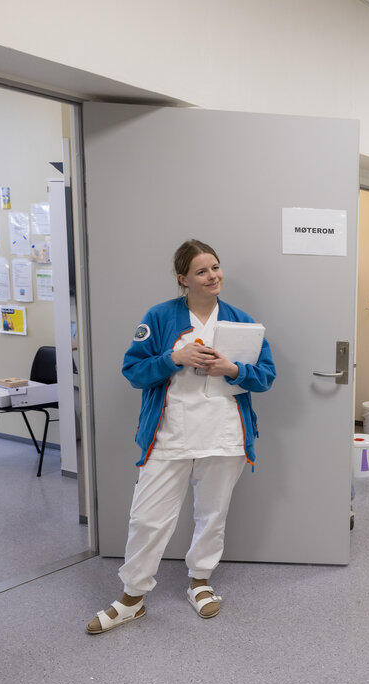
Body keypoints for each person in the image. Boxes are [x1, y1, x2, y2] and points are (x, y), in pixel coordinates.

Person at [88, 239, 276, 634]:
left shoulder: (242, 321)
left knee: (213, 516)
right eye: (202, 271)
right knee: (147, 518)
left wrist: (232, 368)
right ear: (183, 279)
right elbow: (133, 370)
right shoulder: (159, 318)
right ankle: (131, 598)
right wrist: (174, 358)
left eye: (216, 267)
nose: (213, 276)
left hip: (224, 436)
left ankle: (200, 582)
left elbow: (266, 378)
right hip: (170, 436)